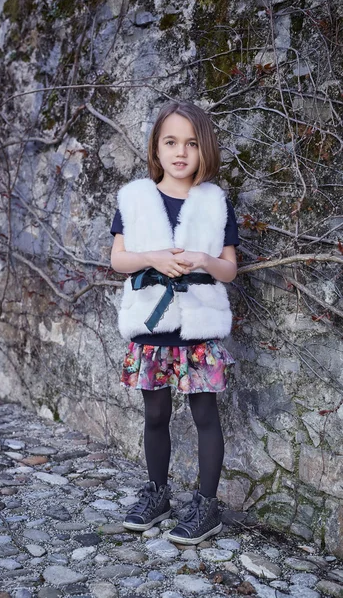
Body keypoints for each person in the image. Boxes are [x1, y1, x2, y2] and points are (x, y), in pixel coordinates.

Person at [110, 101, 239, 545]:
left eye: (191, 143)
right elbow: (118, 259)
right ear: (156, 148)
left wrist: (203, 259)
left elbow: (229, 269)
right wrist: (153, 258)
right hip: (151, 325)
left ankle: (206, 505)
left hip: (198, 330)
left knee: (205, 414)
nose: (180, 152)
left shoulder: (214, 203)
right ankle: (157, 494)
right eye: (170, 142)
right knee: (156, 413)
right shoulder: (135, 199)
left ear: (204, 150)